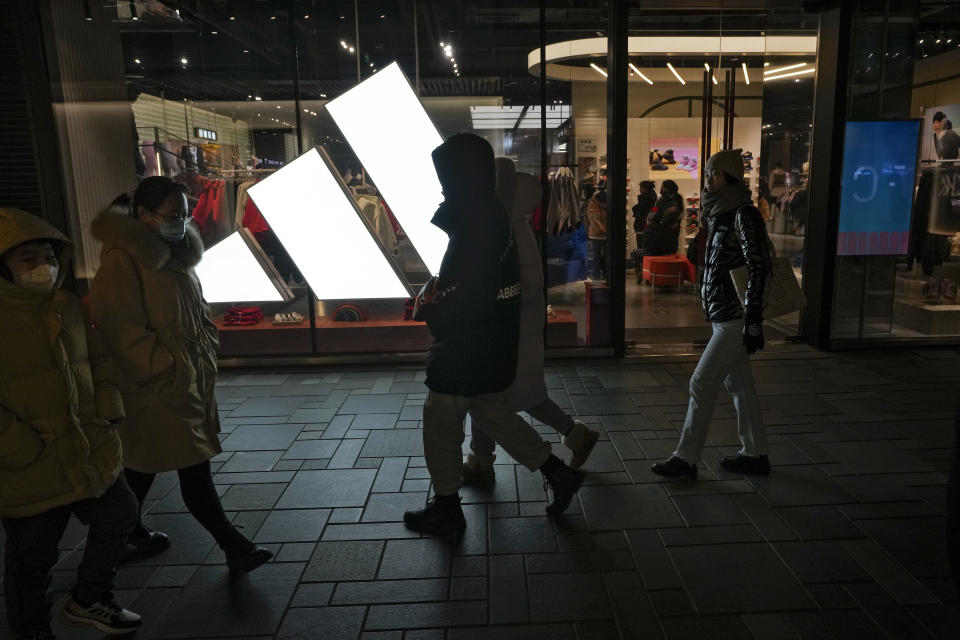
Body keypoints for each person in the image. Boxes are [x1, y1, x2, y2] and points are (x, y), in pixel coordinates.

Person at [403, 134, 584, 537]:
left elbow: (465, 296)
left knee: (440, 421)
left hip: (466, 351)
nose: (443, 189)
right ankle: (558, 472)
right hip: (493, 347)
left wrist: (431, 307)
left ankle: (447, 507)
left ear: (462, 180)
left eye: (447, 181)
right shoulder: (496, 217)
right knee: (491, 413)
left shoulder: (472, 226)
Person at [89, 177, 272, 573]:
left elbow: (194, 308)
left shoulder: (176, 254)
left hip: (185, 378)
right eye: (173, 216)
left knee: (141, 463)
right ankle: (233, 545)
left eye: (185, 214)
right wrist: (163, 368)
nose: (182, 222)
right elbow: (120, 329)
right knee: (193, 464)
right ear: (143, 215)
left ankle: (122, 534)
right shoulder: (123, 260)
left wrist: (203, 349)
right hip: (157, 385)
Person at [0, 208, 142, 639]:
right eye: (29, 259)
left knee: (121, 513)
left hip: (86, 444)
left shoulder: (65, 305)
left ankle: (89, 597)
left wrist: (108, 405)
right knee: (32, 560)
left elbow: (96, 359)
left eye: (49, 256)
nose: (45, 267)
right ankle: (32, 632)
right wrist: (16, 446)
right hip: (30, 463)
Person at [462, 159, 599, 483]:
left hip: (511, 333)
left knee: (490, 399)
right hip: (519, 331)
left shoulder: (507, 231)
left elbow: (517, 285)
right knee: (519, 396)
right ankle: (573, 436)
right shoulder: (515, 226)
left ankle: (482, 462)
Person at [651, 149, 772, 480]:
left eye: (715, 174)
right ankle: (755, 453)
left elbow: (758, 266)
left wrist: (755, 318)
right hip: (723, 314)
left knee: (702, 383)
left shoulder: (744, 214)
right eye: (707, 174)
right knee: (741, 388)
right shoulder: (718, 213)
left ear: (731, 177)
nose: (708, 180)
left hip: (736, 317)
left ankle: (685, 458)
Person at [642, 179, 683, 257]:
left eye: (662, 187)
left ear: (667, 189)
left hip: (663, 242)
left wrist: (652, 224)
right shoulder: (661, 201)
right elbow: (653, 212)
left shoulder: (671, 204)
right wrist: (649, 219)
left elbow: (666, 224)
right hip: (657, 240)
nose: (661, 188)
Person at [587, 185, 607, 280]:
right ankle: (596, 275)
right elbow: (594, 220)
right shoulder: (592, 204)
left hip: (605, 234)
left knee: (606, 256)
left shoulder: (605, 201)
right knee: (597, 256)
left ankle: (606, 274)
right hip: (596, 235)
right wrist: (603, 229)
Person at [632, 181, 657, 250]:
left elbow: (639, 210)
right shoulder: (652, 200)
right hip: (647, 226)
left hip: (641, 226)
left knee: (641, 248)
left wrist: (634, 209)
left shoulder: (645, 199)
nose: (639, 189)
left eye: (640, 187)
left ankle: (642, 260)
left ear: (645, 188)